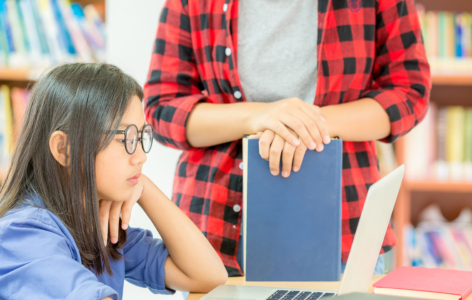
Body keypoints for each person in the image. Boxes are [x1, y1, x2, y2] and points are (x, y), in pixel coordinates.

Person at [0, 63, 325, 300]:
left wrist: (146, 190)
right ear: (63, 149)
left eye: (141, 136)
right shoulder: (22, 235)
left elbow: (207, 276)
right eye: (125, 138)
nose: (140, 155)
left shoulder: (98, 220)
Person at [144, 0, 431, 277]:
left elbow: (409, 90)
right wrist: (258, 116)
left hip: (344, 226)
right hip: (216, 231)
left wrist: (305, 123)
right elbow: (162, 107)